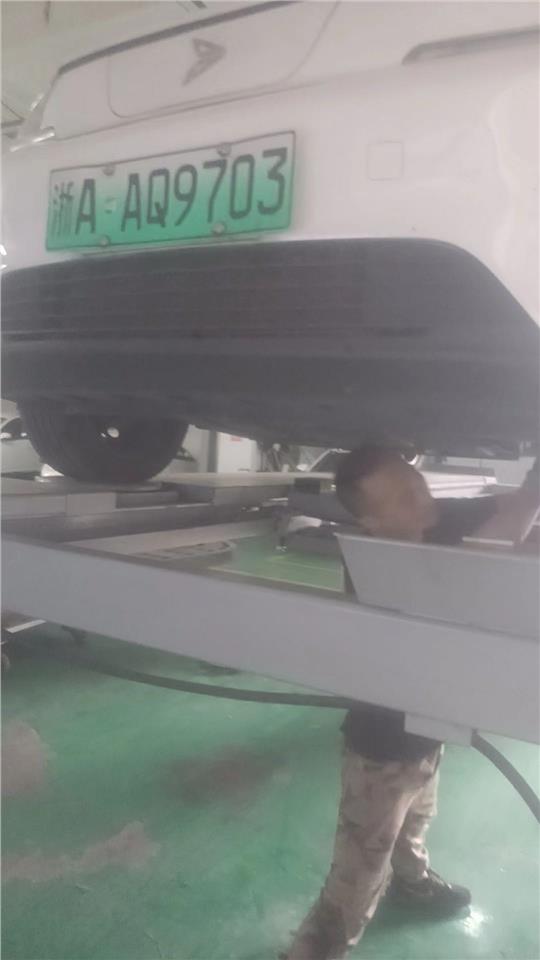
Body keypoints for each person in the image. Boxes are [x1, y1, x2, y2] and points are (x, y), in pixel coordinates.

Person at [286, 444, 539, 960]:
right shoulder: (374, 566)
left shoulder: (431, 517)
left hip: (428, 729)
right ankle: (315, 949)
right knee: (359, 866)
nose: (422, 499)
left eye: (417, 483)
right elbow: (482, 557)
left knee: (417, 816)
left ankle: (412, 883)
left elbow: (510, 509)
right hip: (381, 749)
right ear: (371, 523)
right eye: (402, 497)